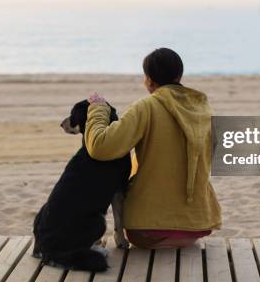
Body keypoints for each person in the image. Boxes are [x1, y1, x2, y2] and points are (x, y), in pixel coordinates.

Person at [85, 48, 221, 249]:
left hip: (147, 232)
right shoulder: (204, 109)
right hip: (196, 228)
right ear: (179, 76)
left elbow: (100, 146)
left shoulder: (146, 107)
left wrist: (97, 109)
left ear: (148, 80)